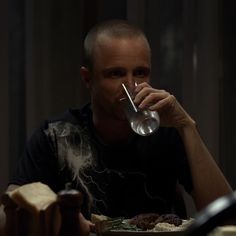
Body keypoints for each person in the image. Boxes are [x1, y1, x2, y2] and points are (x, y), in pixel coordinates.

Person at [1, 19, 232, 234]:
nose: (131, 86)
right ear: (87, 79)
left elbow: (227, 219)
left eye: (140, 73)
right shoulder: (56, 136)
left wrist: (187, 126)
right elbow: (7, 212)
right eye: (116, 74)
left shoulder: (167, 132)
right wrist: (59, 217)